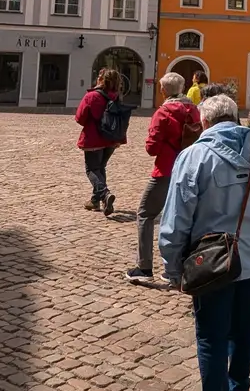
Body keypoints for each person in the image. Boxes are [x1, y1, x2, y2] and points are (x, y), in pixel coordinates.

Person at [157, 95, 250, 391]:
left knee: (211, 336)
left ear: (205, 121)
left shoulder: (194, 157)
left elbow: (175, 220)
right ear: (235, 118)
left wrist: (172, 268)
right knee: (243, 328)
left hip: (211, 263)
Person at [127, 73, 201, 284]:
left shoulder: (163, 112)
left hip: (167, 169)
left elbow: (152, 148)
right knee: (184, 217)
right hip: (191, 168)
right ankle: (178, 269)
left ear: (163, 91)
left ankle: (144, 267)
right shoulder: (194, 110)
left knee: (145, 213)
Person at [74, 68, 125, 215]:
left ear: (101, 80)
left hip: (94, 139)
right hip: (111, 139)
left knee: (92, 169)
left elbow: (80, 118)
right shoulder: (117, 97)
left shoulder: (92, 96)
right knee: (100, 168)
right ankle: (95, 201)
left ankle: (104, 194)